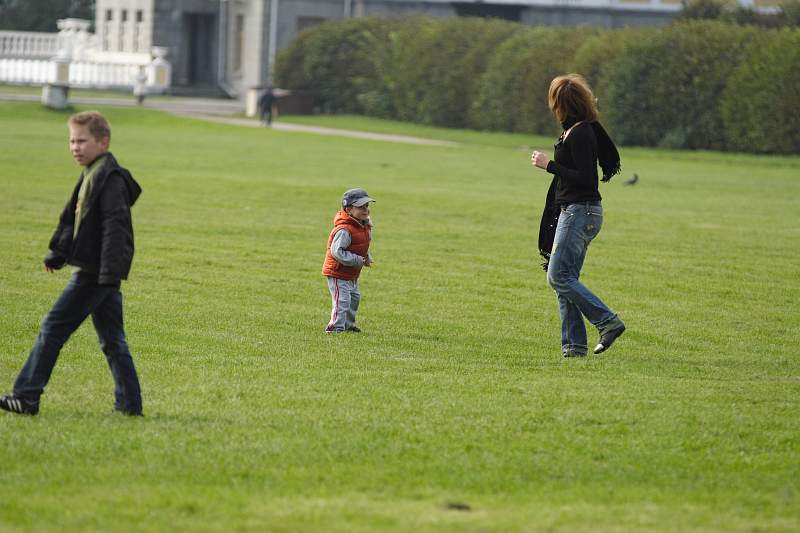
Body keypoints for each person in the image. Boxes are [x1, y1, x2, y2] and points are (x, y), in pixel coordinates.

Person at [0, 111, 143, 416]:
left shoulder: (109, 178)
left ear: (102, 142)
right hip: (98, 271)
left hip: (96, 273)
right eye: (72, 141)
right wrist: (58, 253)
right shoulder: (93, 171)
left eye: (82, 141)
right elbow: (73, 219)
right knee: (113, 340)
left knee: (52, 327)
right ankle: (130, 406)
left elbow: (116, 228)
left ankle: (26, 396)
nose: (75, 147)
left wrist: (108, 273)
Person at [530, 74, 626, 357]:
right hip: (575, 211)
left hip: (581, 212)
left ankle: (608, 321)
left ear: (563, 104)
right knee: (566, 277)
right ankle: (573, 347)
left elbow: (586, 179)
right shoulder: (573, 129)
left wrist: (549, 165)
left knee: (558, 276)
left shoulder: (582, 133)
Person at [321, 188, 375, 333]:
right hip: (338, 271)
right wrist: (358, 260)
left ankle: (348, 325)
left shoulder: (363, 226)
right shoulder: (344, 230)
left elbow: (361, 245)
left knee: (354, 299)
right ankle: (335, 327)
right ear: (349, 209)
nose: (365, 210)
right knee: (342, 301)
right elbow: (336, 251)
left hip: (351, 272)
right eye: (360, 207)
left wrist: (367, 257)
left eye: (367, 206)